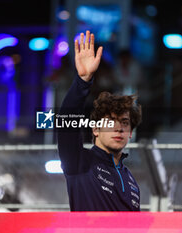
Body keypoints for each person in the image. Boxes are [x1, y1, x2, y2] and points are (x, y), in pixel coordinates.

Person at [57, 31, 142, 211]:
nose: (118, 128)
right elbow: (66, 122)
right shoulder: (79, 161)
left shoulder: (132, 182)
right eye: (111, 121)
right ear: (95, 129)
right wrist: (83, 81)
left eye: (125, 123)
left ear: (131, 133)